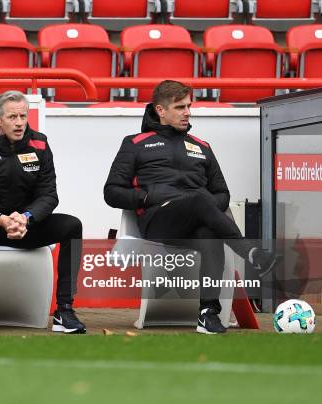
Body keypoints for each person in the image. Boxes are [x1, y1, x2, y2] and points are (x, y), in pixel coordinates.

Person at [103, 80, 279, 335]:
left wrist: (205, 206)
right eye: (179, 107)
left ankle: (208, 314)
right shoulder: (135, 143)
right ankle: (251, 253)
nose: (187, 112)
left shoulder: (202, 146)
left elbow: (222, 193)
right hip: (158, 222)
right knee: (199, 198)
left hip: (195, 222)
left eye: (189, 106)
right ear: (160, 111)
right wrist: (148, 196)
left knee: (210, 235)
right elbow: (112, 192)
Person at [0, 90, 86, 335]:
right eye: (13, 117)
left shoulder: (40, 143)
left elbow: (49, 195)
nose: (20, 123)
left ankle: (65, 310)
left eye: (23, 116)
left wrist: (26, 218)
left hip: (25, 227)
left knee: (72, 226)